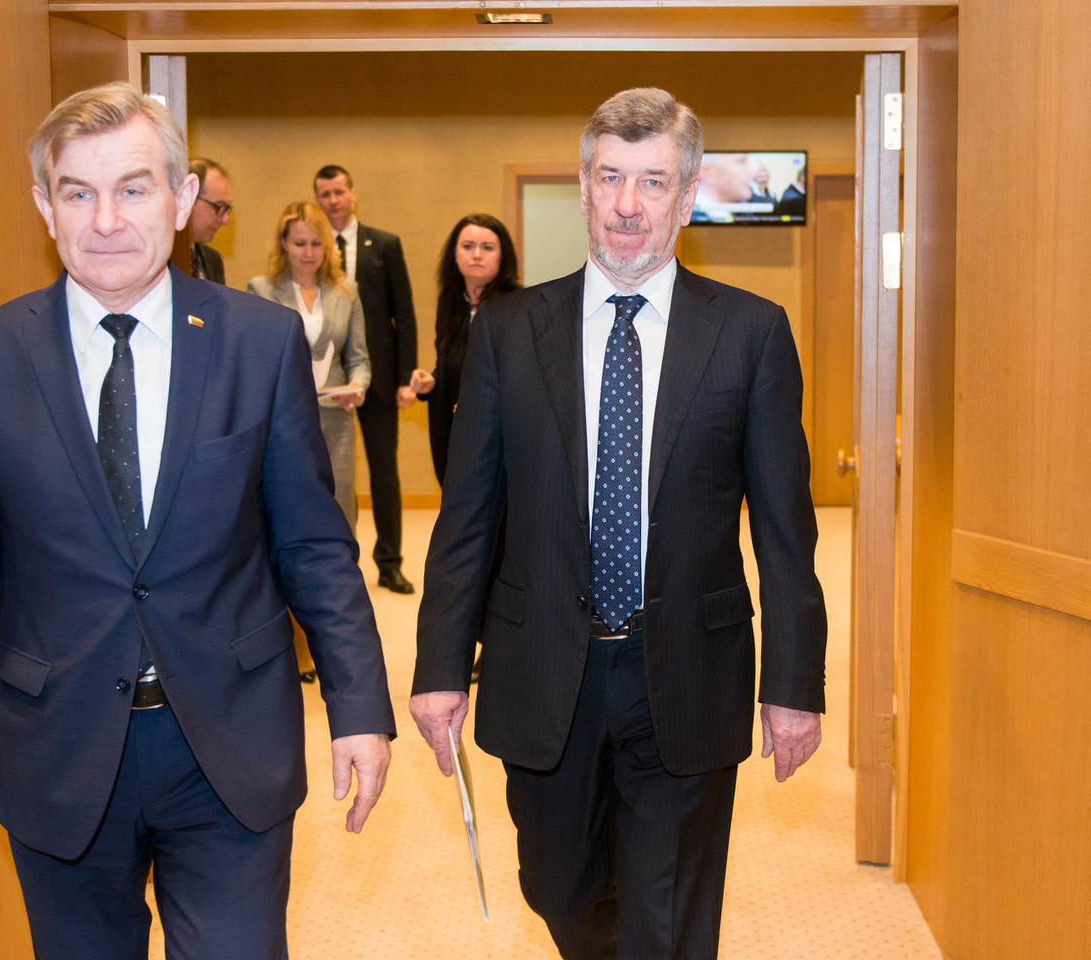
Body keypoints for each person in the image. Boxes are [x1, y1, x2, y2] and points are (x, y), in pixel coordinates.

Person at [0, 83, 395, 960]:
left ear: (181, 199)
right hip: (58, 752)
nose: (106, 220)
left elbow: (313, 546)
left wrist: (358, 704)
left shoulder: (259, 343)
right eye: (78, 193)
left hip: (229, 743)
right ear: (45, 206)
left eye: (134, 189)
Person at [409, 87, 827, 959]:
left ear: (688, 195)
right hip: (542, 663)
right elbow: (468, 517)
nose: (628, 204)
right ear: (584, 186)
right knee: (558, 890)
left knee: (665, 917)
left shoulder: (751, 333)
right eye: (610, 178)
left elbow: (786, 532)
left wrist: (794, 682)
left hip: (689, 667)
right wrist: (441, 664)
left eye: (652, 181)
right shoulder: (509, 332)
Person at [313, 164, 418, 594]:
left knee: (383, 470)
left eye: (339, 192)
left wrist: (405, 377)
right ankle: (338, 558)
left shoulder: (384, 244)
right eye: (324, 194)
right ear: (317, 200)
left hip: (381, 376)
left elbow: (404, 315)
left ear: (353, 194)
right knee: (333, 471)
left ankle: (390, 563)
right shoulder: (313, 247)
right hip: (330, 378)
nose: (333, 200)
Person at [248, 201, 371, 529]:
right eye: (300, 243)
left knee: (339, 503)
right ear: (283, 243)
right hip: (284, 418)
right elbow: (256, 358)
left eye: (317, 243)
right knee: (289, 503)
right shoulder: (261, 289)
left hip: (336, 415)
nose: (309, 252)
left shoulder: (347, 292)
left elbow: (359, 358)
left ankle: (341, 563)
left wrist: (358, 387)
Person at [408, 213, 521, 486]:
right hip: (455, 426)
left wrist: (480, 403)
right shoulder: (450, 303)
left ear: (502, 257)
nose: (477, 255)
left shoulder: (517, 304)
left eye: (488, 247)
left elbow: (520, 375)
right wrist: (431, 381)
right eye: (468, 246)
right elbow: (450, 363)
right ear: (454, 255)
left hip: (499, 433)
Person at [187, 157, 232, 283]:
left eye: (226, 209)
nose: (225, 220)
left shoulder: (213, 260)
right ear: (187, 197)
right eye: (218, 207)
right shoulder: (158, 260)